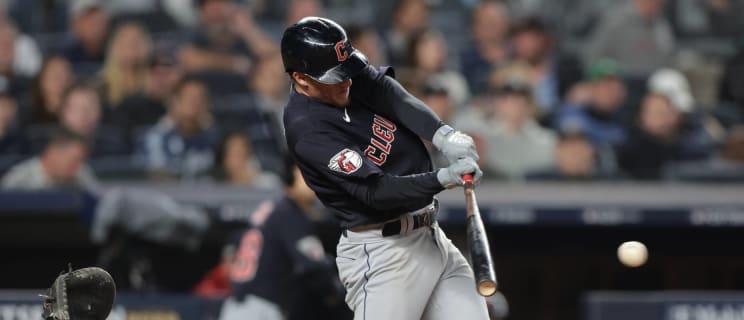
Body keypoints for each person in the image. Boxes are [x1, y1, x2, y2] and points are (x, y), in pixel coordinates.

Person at [281, 17, 488, 320]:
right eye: (335, 78)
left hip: (430, 235)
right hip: (383, 253)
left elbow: (386, 90)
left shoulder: (343, 75)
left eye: (347, 70)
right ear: (301, 78)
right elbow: (376, 192)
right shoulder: (308, 129)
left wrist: (442, 134)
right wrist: (442, 178)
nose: (348, 80)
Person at [219, 159, 349, 320]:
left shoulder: (272, 209)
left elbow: (235, 239)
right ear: (289, 180)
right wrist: (337, 293)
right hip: (260, 310)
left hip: (238, 306)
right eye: (304, 174)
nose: (313, 179)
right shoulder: (291, 213)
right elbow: (314, 267)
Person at [139, 77, 218, 180]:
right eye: (190, 98)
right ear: (176, 102)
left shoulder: (214, 137)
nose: (195, 104)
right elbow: (158, 177)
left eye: (200, 98)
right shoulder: (158, 138)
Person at [585, 0, 675, 78]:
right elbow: (593, 57)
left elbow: (668, 59)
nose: (658, 5)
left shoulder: (661, 26)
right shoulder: (615, 21)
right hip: (620, 83)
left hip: (652, 83)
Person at [1, 127, 100, 192]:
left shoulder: (80, 173)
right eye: (74, 159)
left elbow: (100, 200)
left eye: (81, 160)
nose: (78, 165)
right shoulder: (20, 180)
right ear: (53, 153)